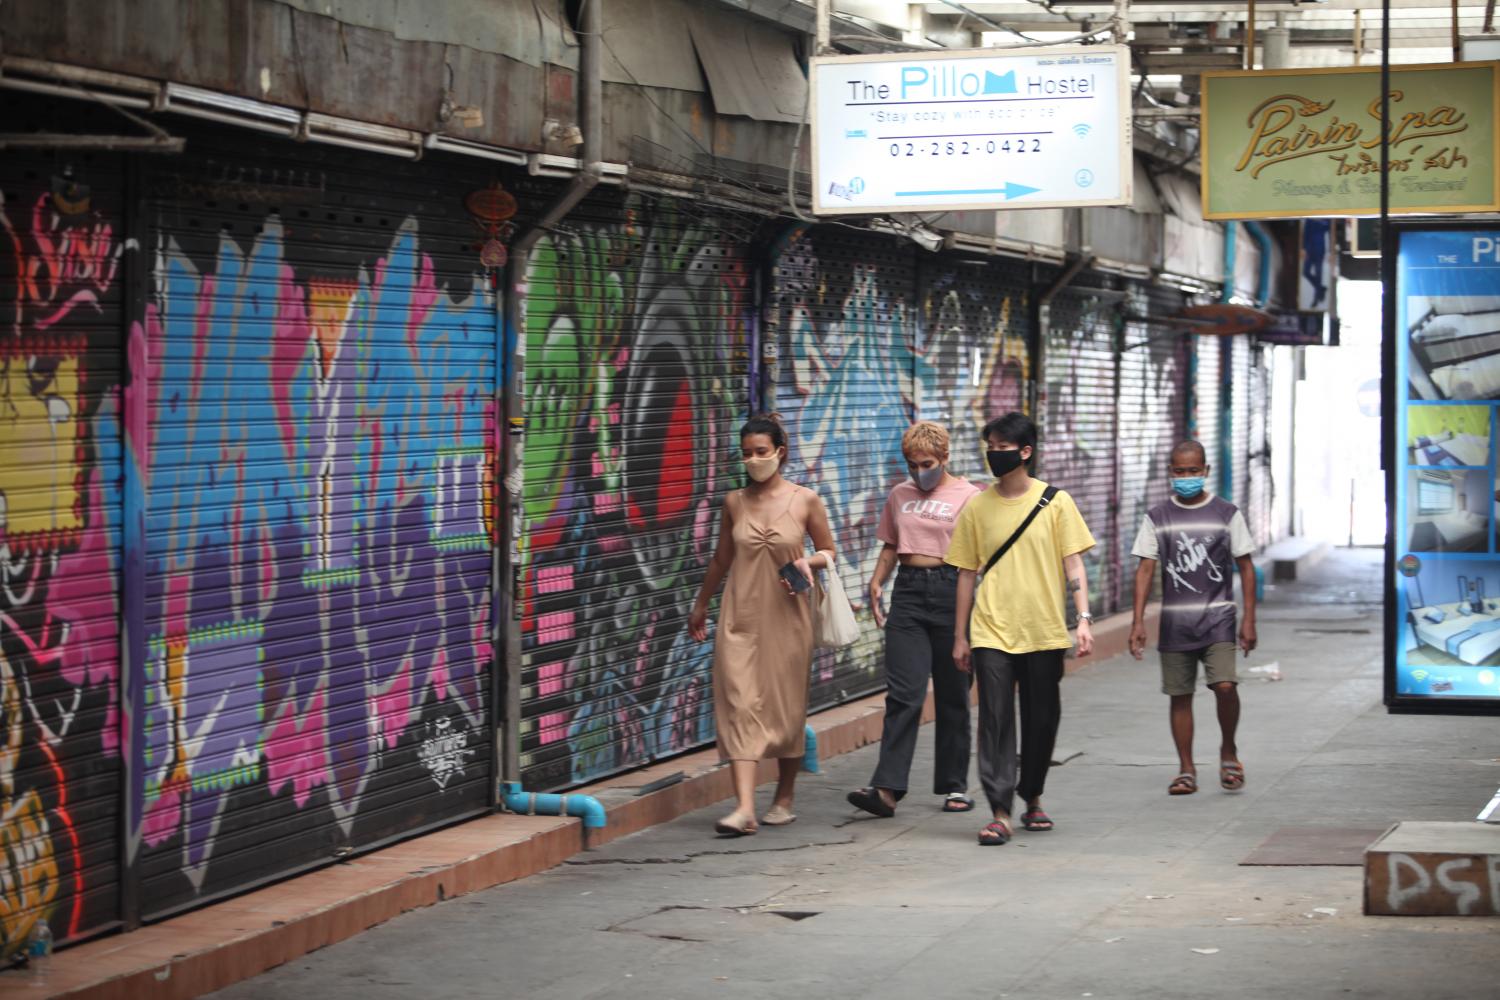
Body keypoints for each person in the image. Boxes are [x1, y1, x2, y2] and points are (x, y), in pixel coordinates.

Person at [945, 412, 1096, 846]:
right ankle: (999, 809)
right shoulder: (977, 506)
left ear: (1025, 451)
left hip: (1044, 629)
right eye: (989, 446)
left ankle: (1032, 796)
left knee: (1041, 718)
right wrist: (961, 635)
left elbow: (1074, 562)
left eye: (1002, 447)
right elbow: (965, 574)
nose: (994, 454)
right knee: (994, 718)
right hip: (992, 628)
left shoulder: (1056, 502)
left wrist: (1083, 618)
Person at [689, 414, 836, 837]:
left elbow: (829, 549)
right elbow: (721, 559)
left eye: (761, 452)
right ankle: (744, 808)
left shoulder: (806, 499)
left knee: (786, 709)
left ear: (780, 452)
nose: (753, 460)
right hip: (739, 617)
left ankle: (784, 797)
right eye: (747, 453)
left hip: (789, 618)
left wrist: (809, 560)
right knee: (739, 705)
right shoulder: (734, 502)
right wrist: (701, 604)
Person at [847, 422, 982, 819]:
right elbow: (891, 545)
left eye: (926, 463)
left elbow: (977, 558)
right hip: (907, 594)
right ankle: (887, 789)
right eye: (911, 464)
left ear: (944, 458)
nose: (919, 471)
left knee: (954, 692)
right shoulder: (900, 495)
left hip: (951, 591)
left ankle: (954, 785)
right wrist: (875, 582)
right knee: (903, 694)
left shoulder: (969, 497)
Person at [1128, 440, 1257, 796]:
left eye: (1193, 471)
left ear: (1206, 471)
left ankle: (1228, 750)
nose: (1187, 477)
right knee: (1179, 695)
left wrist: (1249, 621)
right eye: (1180, 472)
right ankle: (1186, 769)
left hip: (1219, 620)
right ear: (1171, 473)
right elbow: (1144, 570)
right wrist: (1137, 623)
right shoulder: (1157, 517)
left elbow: (1246, 567)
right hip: (1176, 624)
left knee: (1225, 686)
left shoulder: (1226, 514)